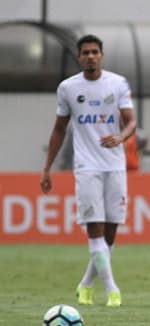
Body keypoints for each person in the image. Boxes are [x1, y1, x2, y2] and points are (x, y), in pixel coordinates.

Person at [40, 34, 136, 307]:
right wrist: (46, 168)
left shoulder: (117, 83)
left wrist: (121, 138)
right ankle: (111, 289)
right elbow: (59, 129)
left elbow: (131, 122)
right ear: (79, 57)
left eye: (95, 52)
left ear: (101, 56)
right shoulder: (68, 88)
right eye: (86, 52)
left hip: (115, 165)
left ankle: (85, 285)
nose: (90, 56)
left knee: (110, 234)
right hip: (86, 167)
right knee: (94, 231)